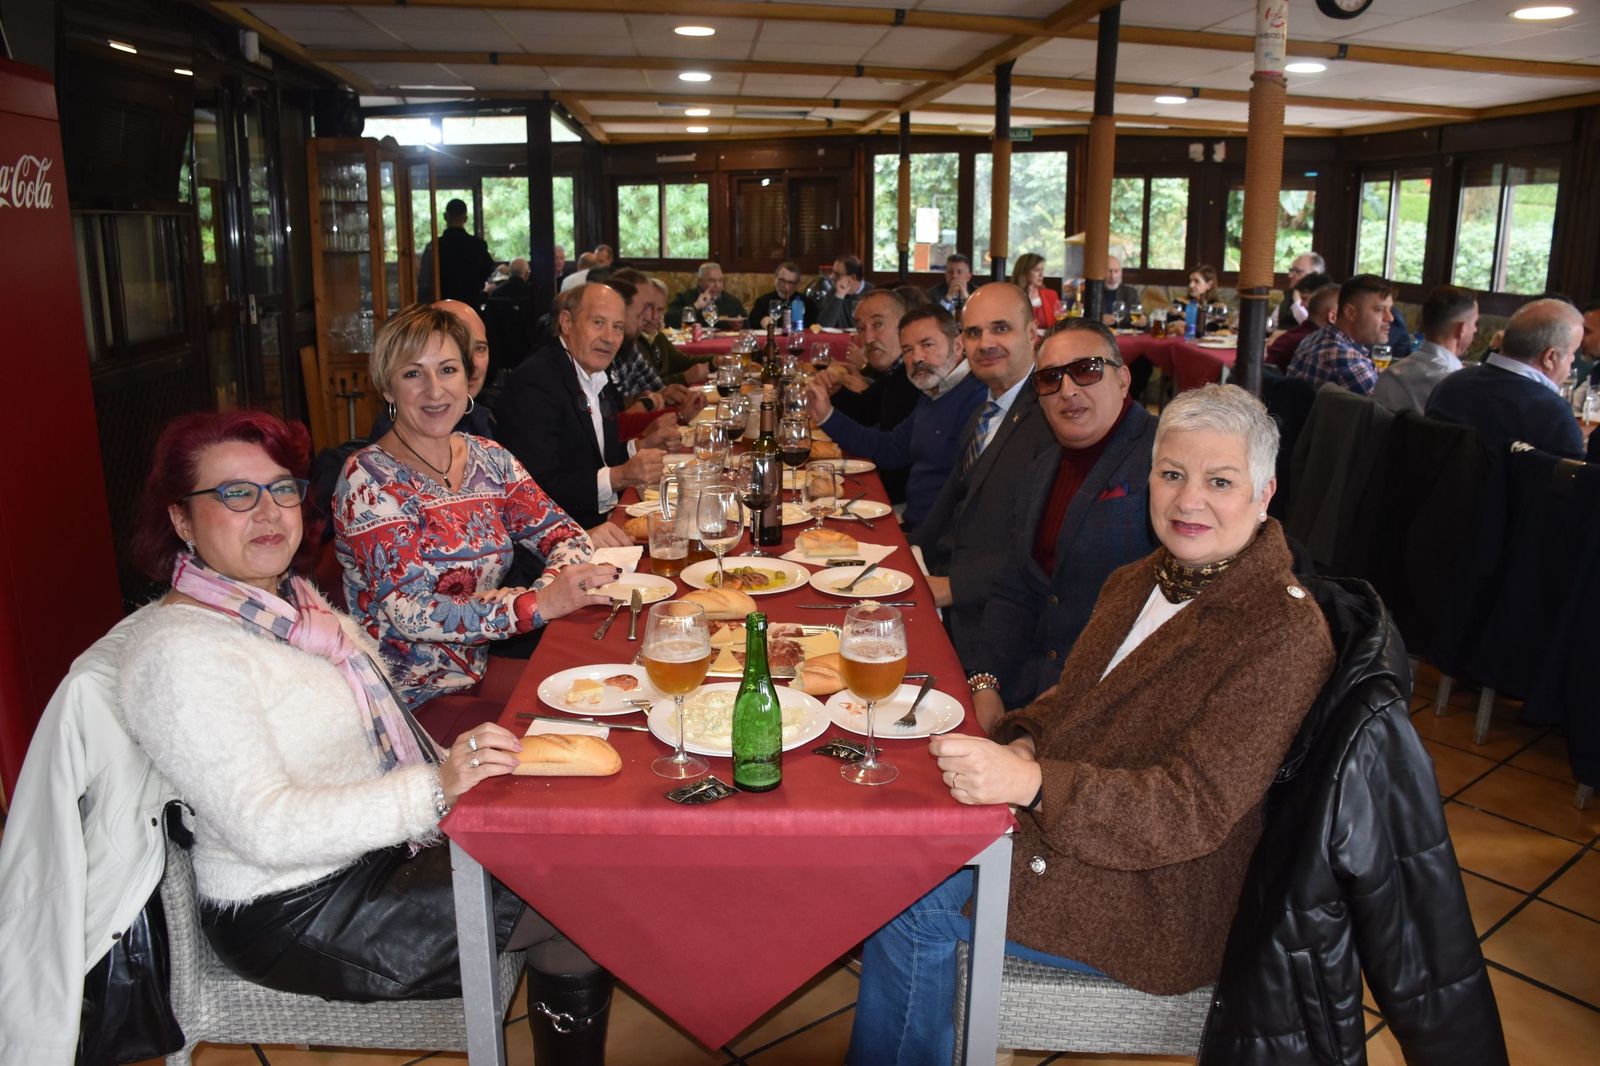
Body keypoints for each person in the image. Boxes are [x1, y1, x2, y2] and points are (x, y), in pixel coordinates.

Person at [848, 385, 1335, 1065]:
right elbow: (1071, 699)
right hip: (1081, 831)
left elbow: (1189, 811)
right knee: (897, 844)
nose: (1188, 501)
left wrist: (1035, 783)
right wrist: (1023, 737)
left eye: (1219, 481)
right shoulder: (1138, 579)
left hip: (1155, 896)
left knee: (911, 906)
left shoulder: (1280, 632)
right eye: (1172, 475)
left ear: (1265, 491)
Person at [118, 409, 618, 1062]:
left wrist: (462, 764)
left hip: (376, 853)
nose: (267, 513)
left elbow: (377, 741)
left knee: (568, 834)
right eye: (236, 495)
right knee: (579, 888)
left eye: (279, 489)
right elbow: (267, 829)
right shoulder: (180, 655)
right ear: (181, 519)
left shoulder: (290, 607)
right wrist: (435, 789)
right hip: (296, 908)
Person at [335, 304, 623, 714]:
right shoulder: (367, 480)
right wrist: (535, 607)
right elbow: (413, 614)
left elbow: (566, 535)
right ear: (387, 387)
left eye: (448, 370)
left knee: (612, 690)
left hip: (477, 676)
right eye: (413, 373)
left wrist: (545, 593)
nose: (435, 391)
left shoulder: (489, 458)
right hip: (408, 704)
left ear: (467, 379)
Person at [964, 320, 1160, 718]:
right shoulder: (1042, 469)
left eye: (1086, 370)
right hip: (1027, 686)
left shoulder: (1166, 457)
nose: (1067, 390)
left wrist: (1048, 715)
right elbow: (1015, 587)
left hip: (1112, 707)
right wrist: (985, 682)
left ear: (1123, 379)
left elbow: (1161, 618)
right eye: (1050, 379)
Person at [912, 283, 1058, 667]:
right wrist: (899, 559)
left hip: (998, 626)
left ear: (1032, 336)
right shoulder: (986, 411)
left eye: (1000, 329)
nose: (985, 343)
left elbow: (1045, 546)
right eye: (974, 333)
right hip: (950, 586)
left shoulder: (1052, 417)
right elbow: (949, 506)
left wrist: (953, 589)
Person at [495, 283, 678, 529]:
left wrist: (639, 446)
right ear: (567, 322)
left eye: (618, 327)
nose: (609, 338)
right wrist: (619, 476)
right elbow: (535, 489)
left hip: (597, 524)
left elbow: (594, 458)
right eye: (598, 323)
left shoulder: (594, 373)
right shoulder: (535, 382)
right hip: (559, 536)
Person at [805, 305, 986, 528]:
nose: (917, 357)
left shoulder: (976, 397)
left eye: (927, 345)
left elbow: (964, 501)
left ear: (958, 345)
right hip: (914, 524)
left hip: (932, 538)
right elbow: (891, 448)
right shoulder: (935, 391)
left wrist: (915, 545)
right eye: (908, 350)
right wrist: (826, 416)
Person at [1427, 297, 1585, 460]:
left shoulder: (1449, 384)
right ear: (1549, 357)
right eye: (1573, 353)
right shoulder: (1552, 412)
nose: (1573, 360)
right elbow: (1575, 481)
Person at [826, 288, 921, 434]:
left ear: (904, 325)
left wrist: (825, 418)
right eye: (861, 328)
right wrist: (835, 391)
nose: (868, 338)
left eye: (878, 324)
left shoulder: (918, 376)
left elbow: (890, 446)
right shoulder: (894, 370)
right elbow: (865, 412)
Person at [1374, 284, 1477, 415]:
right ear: (1461, 329)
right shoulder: (1457, 388)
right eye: (1474, 323)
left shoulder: (1389, 376)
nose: (1475, 329)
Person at [1286, 273, 1395, 395]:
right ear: (1350, 313)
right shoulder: (1347, 359)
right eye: (1379, 310)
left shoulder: (1315, 337)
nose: (1390, 318)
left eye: (1390, 310)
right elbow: (1389, 410)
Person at [610, 270, 711, 386]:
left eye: (659, 309)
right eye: (645, 307)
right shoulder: (616, 345)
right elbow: (630, 398)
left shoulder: (631, 343)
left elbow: (651, 386)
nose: (650, 316)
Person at [417, 198, 495, 306]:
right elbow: (488, 269)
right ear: (466, 219)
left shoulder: (434, 246)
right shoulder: (477, 245)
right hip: (470, 304)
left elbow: (425, 279)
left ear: (445, 216)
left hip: (441, 305)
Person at [1265, 278, 1336, 370]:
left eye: (1304, 299)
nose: (1300, 304)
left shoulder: (1292, 338)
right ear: (1332, 316)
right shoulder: (1322, 345)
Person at [666, 261, 747, 327]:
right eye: (712, 281)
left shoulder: (733, 302)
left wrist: (739, 327)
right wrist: (696, 306)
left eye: (720, 281)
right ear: (700, 281)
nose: (717, 286)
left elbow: (748, 327)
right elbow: (669, 321)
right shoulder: (684, 297)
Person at [750, 260, 817, 330]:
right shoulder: (762, 302)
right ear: (775, 279)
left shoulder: (806, 303)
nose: (786, 287)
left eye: (791, 283)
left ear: (797, 284)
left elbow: (814, 327)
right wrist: (762, 321)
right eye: (782, 281)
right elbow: (752, 323)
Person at [816, 254, 872, 328]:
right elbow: (822, 326)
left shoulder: (873, 294)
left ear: (852, 277)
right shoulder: (834, 292)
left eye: (837, 274)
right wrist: (839, 296)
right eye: (832, 272)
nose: (831, 277)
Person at [1276, 251, 1326, 329]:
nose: (1290, 276)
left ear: (1315, 274)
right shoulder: (1289, 295)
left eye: (1298, 271)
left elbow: (1314, 328)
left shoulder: (1324, 299)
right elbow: (1273, 322)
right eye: (1291, 270)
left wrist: (1297, 304)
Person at [1013, 253, 1061, 331]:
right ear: (1024, 272)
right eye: (1036, 270)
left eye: (1042, 270)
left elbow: (1058, 323)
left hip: (1046, 340)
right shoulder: (1012, 295)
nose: (1041, 274)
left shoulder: (1051, 295)